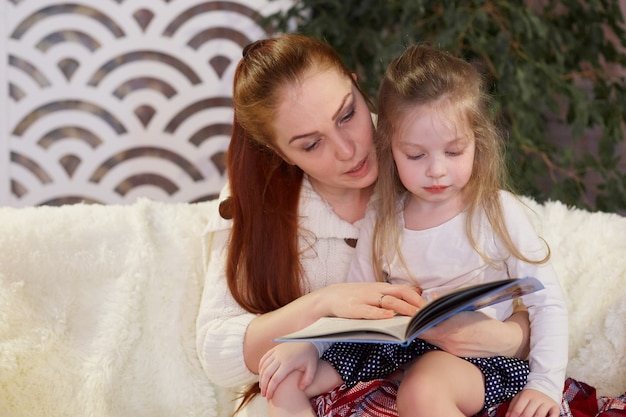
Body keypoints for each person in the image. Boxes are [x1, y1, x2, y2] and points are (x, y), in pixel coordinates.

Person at [195, 34, 533, 417]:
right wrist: (323, 303)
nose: (347, 149)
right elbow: (218, 355)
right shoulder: (258, 199)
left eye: (347, 115)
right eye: (311, 145)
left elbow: (522, 291)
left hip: (445, 386)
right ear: (278, 151)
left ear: (356, 84)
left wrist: (508, 339)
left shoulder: (424, 147)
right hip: (337, 387)